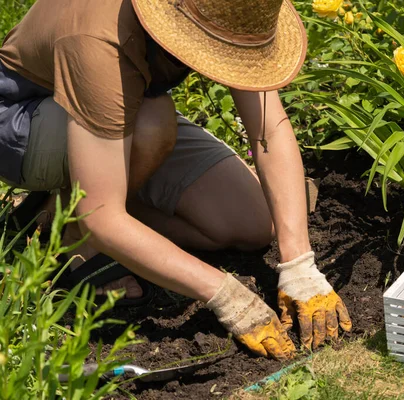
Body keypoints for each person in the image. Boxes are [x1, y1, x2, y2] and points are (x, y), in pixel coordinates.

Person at [0, 0, 352, 360]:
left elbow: (269, 133)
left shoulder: (234, 11)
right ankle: (71, 232)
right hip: (25, 118)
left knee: (250, 222)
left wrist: (299, 265)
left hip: (119, 110)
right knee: (152, 126)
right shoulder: (102, 35)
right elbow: (101, 215)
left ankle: (72, 204)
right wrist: (224, 294)